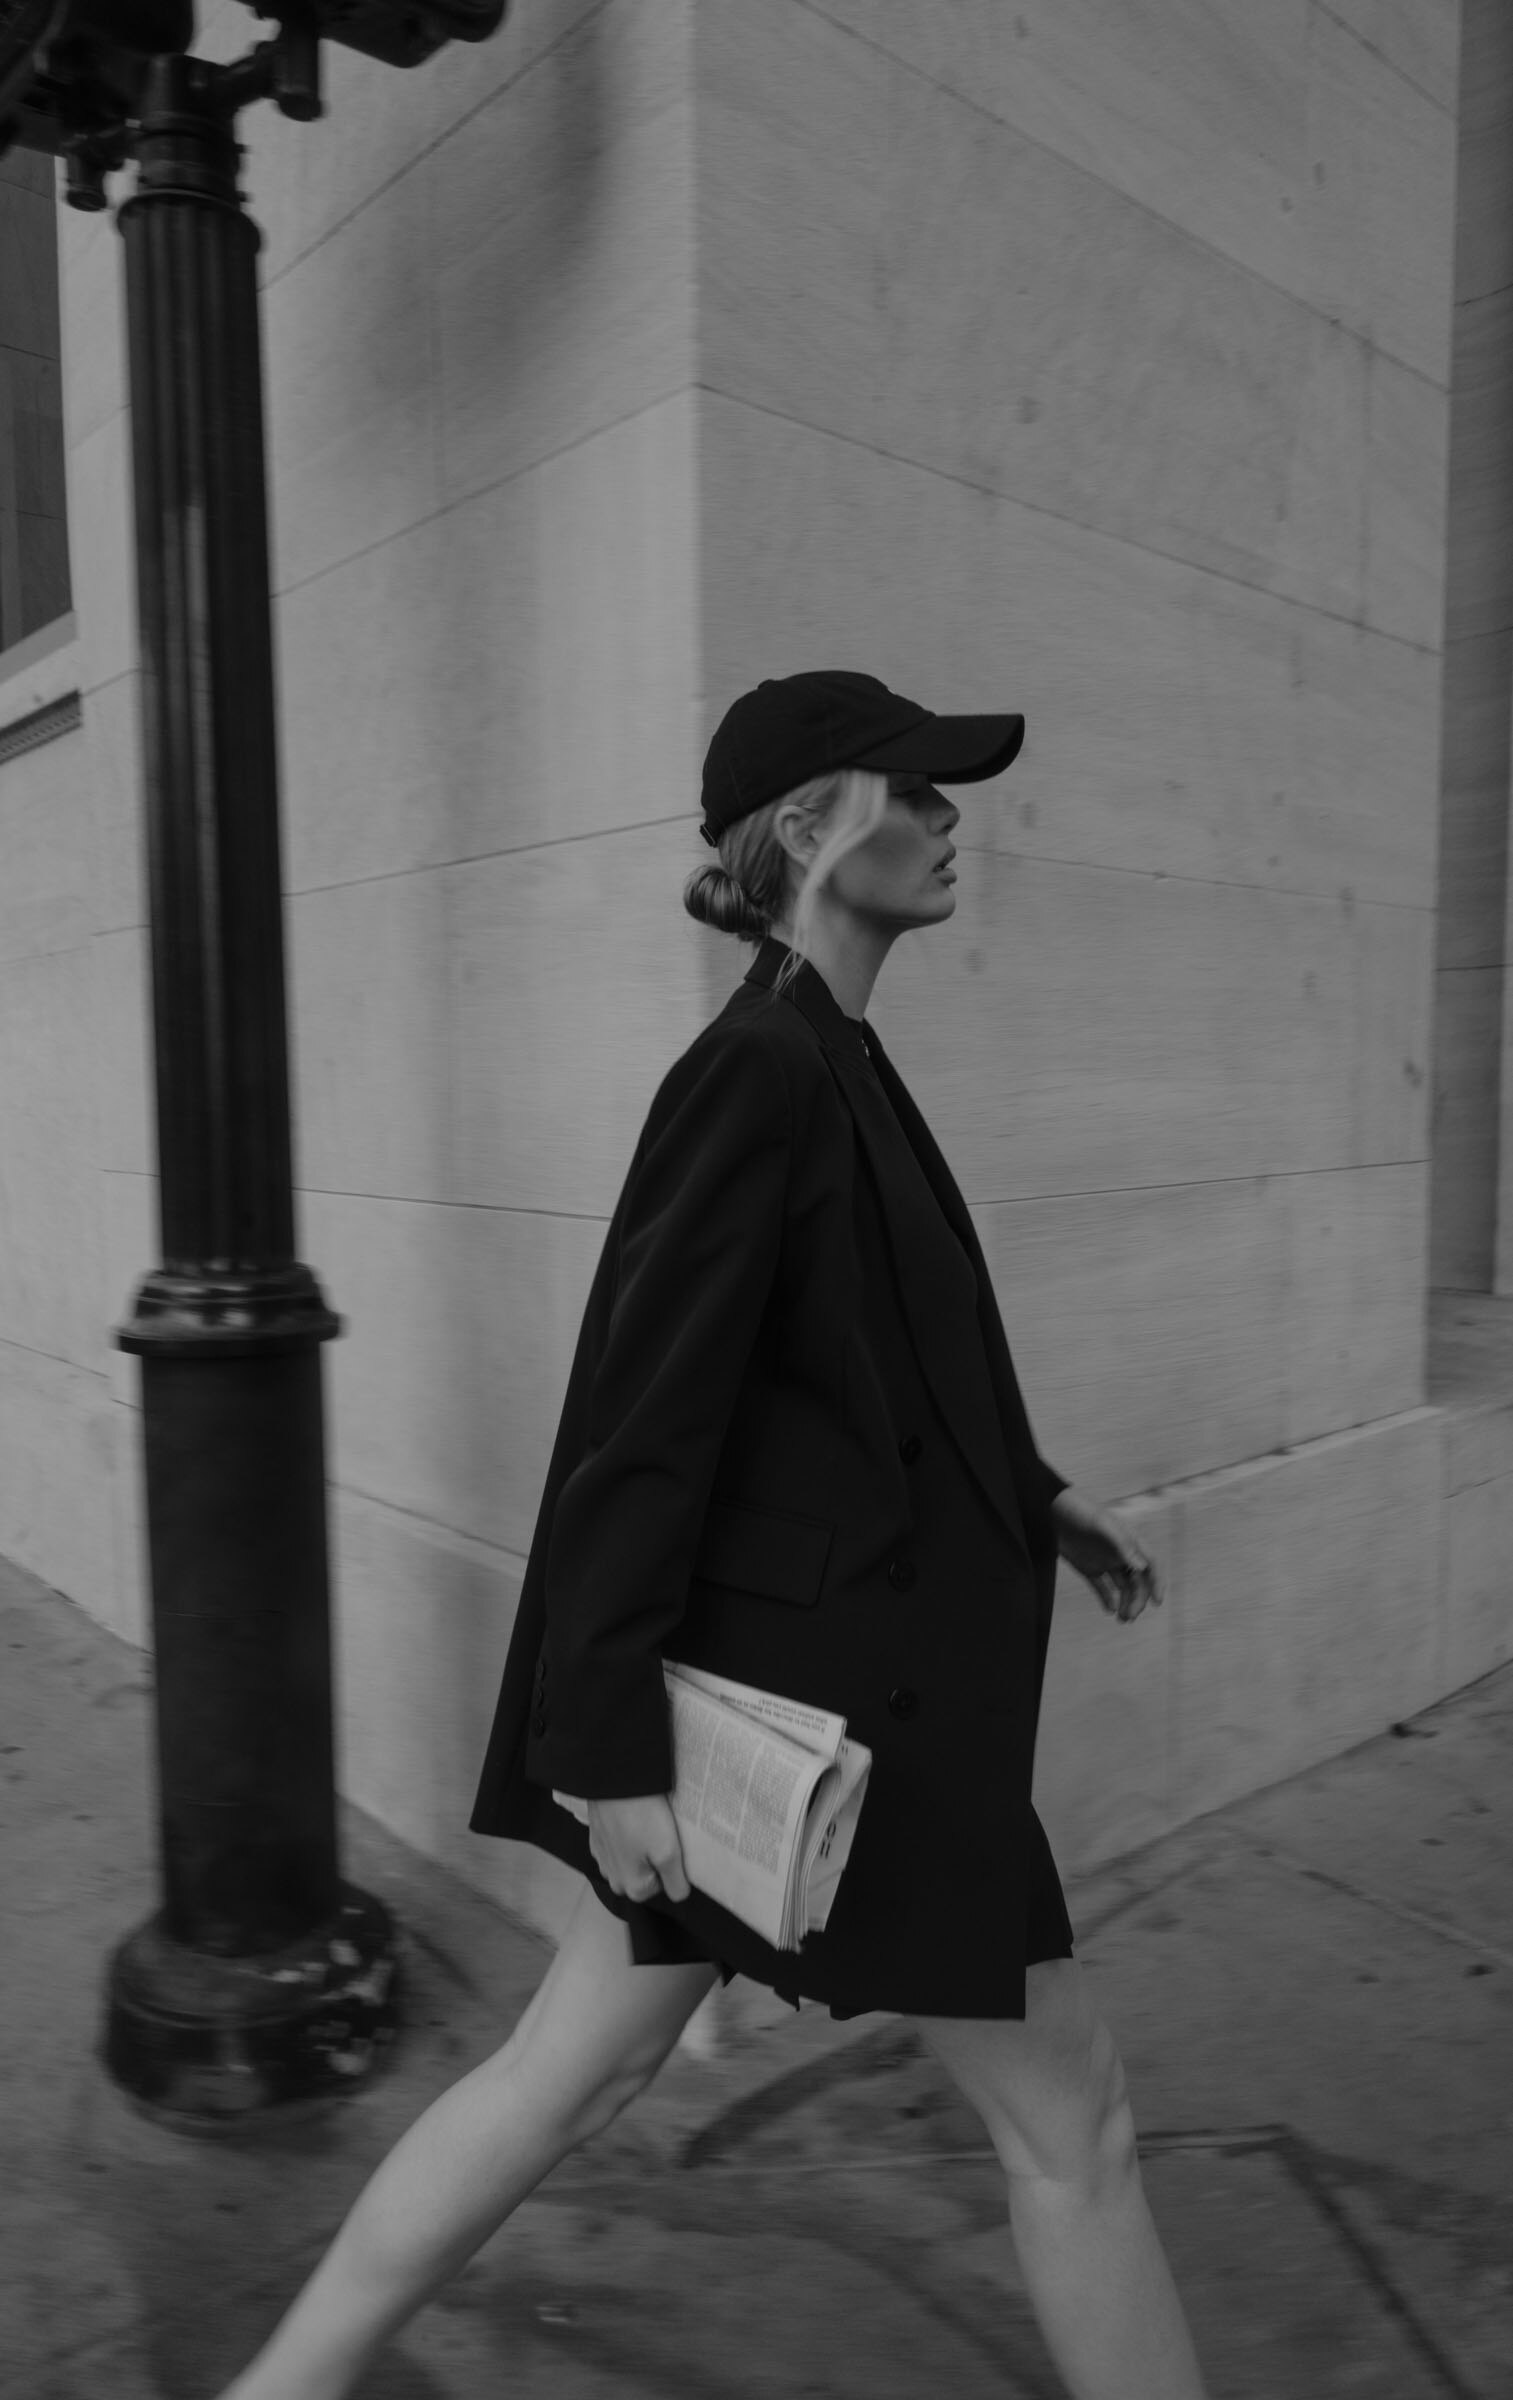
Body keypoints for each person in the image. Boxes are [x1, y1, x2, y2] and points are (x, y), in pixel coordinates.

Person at [216, 670, 1210, 2400]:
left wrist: (1035, 1497)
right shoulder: (753, 1069)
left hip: (784, 1725)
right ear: (823, 827)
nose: (954, 815)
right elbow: (637, 1432)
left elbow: (872, 1366)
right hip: (843, 1745)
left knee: (557, 2078)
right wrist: (607, 1756)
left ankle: (280, 2388)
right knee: (1081, 2130)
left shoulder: (824, 1049)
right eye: (920, 788)